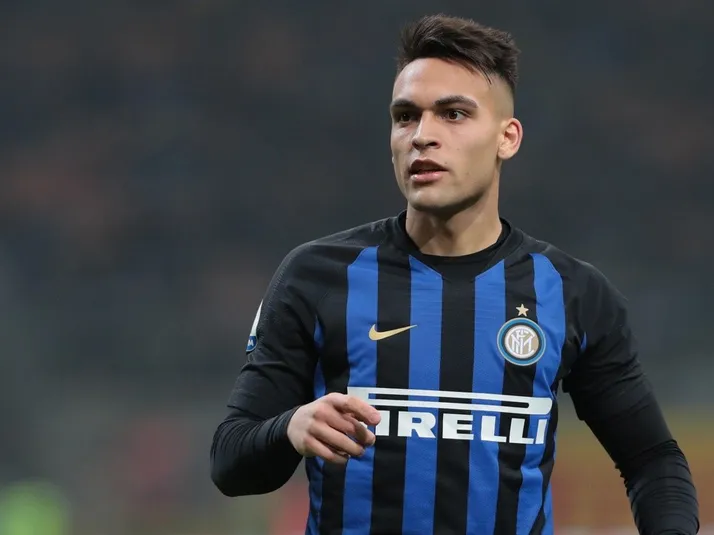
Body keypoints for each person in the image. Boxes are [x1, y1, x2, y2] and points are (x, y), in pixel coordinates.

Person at [210, 13, 699, 535]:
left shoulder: (571, 293)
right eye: (405, 117)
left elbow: (653, 462)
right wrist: (290, 428)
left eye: (454, 114)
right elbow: (230, 460)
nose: (423, 136)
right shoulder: (318, 276)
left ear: (507, 138)